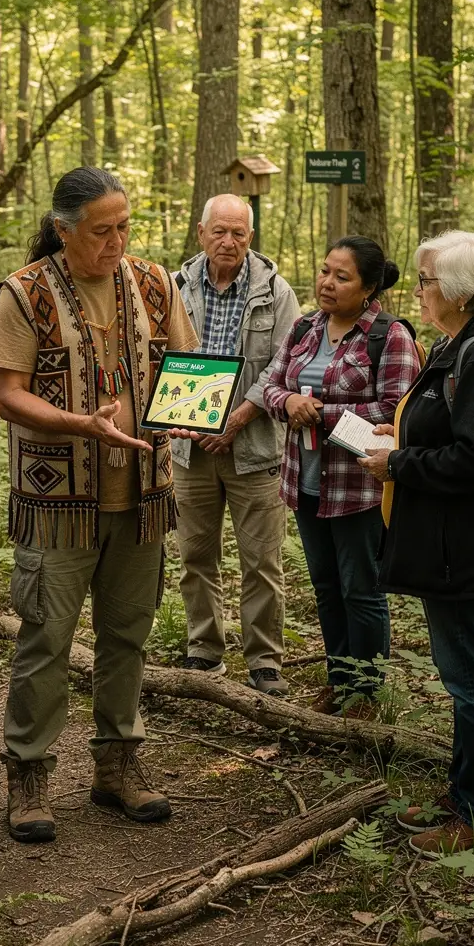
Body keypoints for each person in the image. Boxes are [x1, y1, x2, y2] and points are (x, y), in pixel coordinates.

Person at [0, 166, 198, 844]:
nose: (116, 242)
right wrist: (81, 423)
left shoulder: (155, 282)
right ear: (64, 229)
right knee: (47, 637)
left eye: (124, 227)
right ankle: (28, 773)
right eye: (102, 230)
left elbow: (191, 367)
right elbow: (11, 393)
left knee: (128, 634)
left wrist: (189, 412)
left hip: (142, 493)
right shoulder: (25, 294)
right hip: (58, 498)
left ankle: (118, 764)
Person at [360, 231, 474, 857]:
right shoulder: (460, 345)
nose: (419, 291)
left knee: (472, 677)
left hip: (468, 542)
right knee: (463, 673)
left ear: (457, 291)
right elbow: (449, 429)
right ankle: (466, 793)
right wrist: (398, 430)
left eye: (426, 281)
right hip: (449, 540)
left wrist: (400, 464)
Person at [263, 237, 420, 716]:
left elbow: (399, 410)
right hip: (305, 483)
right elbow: (271, 383)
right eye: (326, 271)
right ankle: (340, 681)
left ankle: (367, 696)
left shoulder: (389, 336)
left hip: (360, 488)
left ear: (369, 288)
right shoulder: (305, 327)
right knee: (327, 589)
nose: (327, 283)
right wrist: (288, 402)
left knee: (362, 591)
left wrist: (324, 413)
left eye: (342, 277)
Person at [170, 195, 300, 693]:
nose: (228, 242)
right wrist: (190, 423)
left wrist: (242, 414)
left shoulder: (276, 290)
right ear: (201, 232)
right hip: (189, 448)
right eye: (219, 232)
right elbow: (163, 353)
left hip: (256, 446)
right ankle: (204, 650)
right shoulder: (176, 286)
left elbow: (285, 360)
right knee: (195, 554)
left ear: (250, 236)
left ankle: (265, 661)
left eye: (238, 234)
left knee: (261, 559)